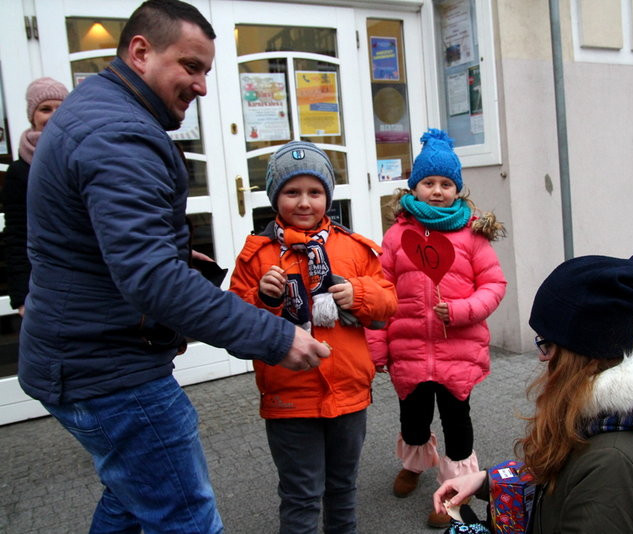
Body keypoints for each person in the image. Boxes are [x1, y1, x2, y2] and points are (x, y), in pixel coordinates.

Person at [18, 1, 330, 532]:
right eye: (190, 66)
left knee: (132, 496)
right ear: (140, 51)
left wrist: (175, 252)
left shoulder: (98, 109)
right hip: (110, 373)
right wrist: (275, 337)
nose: (202, 86)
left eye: (206, 70)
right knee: (185, 516)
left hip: (77, 356)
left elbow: (98, 240)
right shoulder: (119, 134)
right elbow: (151, 279)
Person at [433, 250, 633, 534]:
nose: (542, 357)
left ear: (583, 353)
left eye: (548, 343)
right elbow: (567, 476)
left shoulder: (612, 467)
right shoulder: (611, 416)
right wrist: (486, 481)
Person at [228, 140, 398, 533]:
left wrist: (359, 293)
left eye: (314, 192)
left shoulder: (354, 248)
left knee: (342, 490)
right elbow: (235, 330)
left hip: (349, 395)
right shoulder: (258, 256)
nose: (304, 203)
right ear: (275, 197)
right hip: (290, 399)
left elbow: (389, 301)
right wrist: (264, 298)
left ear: (328, 196)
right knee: (301, 497)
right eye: (292, 192)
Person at [367, 128, 507, 528]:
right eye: (429, 182)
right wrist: (377, 345)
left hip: (456, 354)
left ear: (457, 190)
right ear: (414, 187)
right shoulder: (397, 236)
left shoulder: (473, 235)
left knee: (457, 423)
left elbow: (494, 286)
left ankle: (454, 492)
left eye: (446, 184)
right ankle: (415, 464)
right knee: (412, 419)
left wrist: (462, 310)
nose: (437, 190)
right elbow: (379, 292)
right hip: (408, 352)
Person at [2, 77, 69, 317]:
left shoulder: (83, 157)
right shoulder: (19, 172)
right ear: (33, 116)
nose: (53, 115)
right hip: (44, 285)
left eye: (61, 108)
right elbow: (16, 235)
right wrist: (21, 297)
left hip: (86, 282)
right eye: (45, 109)